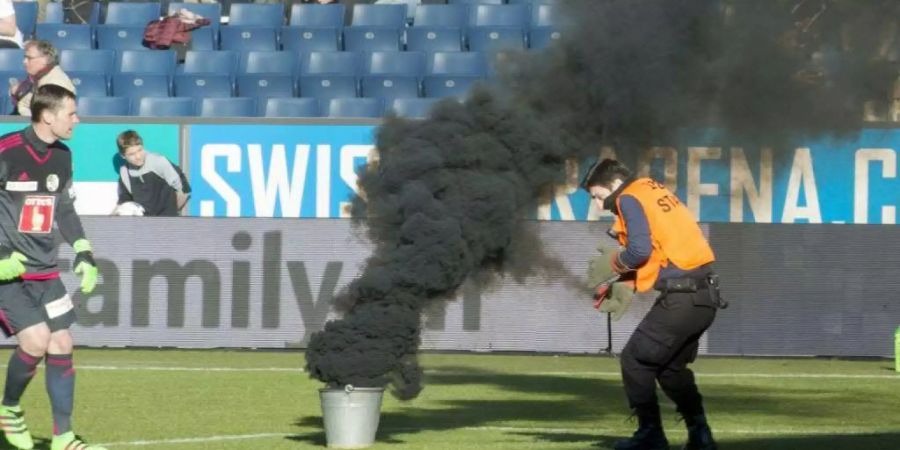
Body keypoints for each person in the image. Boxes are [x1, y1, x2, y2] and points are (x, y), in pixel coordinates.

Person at [580, 159, 722, 450]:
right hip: (704, 299)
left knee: (635, 359)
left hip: (682, 299)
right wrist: (625, 280)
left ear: (615, 185)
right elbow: (660, 250)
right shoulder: (652, 190)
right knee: (670, 369)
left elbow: (639, 251)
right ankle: (701, 435)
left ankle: (651, 435)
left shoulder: (630, 197)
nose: (597, 204)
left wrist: (613, 264)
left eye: (596, 195)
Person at [0, 84, 104, 450]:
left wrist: (83, 250)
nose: (77, 120)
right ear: (48, 116)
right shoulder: (6, 151)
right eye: (71, 113)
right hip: (8, 274)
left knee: (62, 342)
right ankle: (9, 408)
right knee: (37, 340)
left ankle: (64, 438)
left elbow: (64, 208)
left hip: (45, 269)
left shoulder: (63, 156)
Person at [116, 130, 190, 217]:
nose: (138, 156)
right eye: (132, 154)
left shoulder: (159, 161)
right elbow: (124, 203)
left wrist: (171, 212)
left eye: (140, 150)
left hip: (167, 222)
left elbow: (185, 190)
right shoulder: (124, 172)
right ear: (123, 155)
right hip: (144, 225)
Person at [10, 40, 76, 117]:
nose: (24, 62)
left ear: (45, 59)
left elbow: (44, 117)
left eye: (29, 58)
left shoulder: (55, 84)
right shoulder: (40, 76)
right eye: (25, 57)